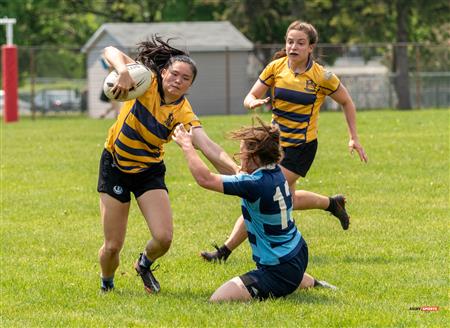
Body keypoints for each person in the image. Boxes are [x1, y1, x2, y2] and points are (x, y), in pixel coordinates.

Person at [201, 20, 368, 263]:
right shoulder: (275, 68)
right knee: (286, 199)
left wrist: (353, 137)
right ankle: (333, 204)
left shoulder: (322, 76)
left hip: (301, 148)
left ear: (311, 47)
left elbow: (347, 102)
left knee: (262, 194)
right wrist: (253, 103)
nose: (293, 46)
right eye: (290, 41)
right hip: (274, 145)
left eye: (300, 43)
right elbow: (250, 95)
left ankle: (224, 251)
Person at [97, 36, 239, 293]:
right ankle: (107, 283)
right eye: (174, 74)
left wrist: (239, 173)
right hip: (115, 165)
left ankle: (144, 264)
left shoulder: (183, 113)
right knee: (112, 246)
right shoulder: (146, 81)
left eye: (186, 79)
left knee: (164, 238)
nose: (178, 81)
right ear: (163, 73)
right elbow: (109, 49)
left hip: (148, 171)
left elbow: (208, 147)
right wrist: (123, 73)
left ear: (190, 85)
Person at [173, 118, 335, 302]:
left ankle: (293, 282)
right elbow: (237, 175)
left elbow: (205, 179)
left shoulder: (255, 184)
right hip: (297, 252)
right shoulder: (275, 172)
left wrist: (187, 146)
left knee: (217, 299)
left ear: (255, 157)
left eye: (242, 154)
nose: (240, 158)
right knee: (288, 275)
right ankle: (315, 283)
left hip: (278, 269)